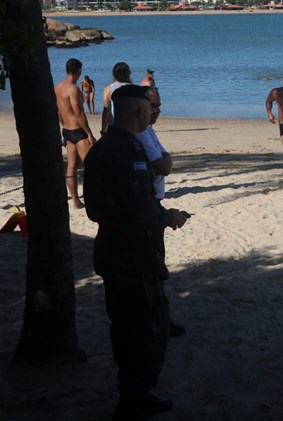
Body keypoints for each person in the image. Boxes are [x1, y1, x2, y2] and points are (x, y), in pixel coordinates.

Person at [83, 84, 189, 420]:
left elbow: (95, 208)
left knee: (124, 324)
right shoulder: (127, 151)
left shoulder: (100, 149)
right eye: (148, 109)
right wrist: (167, 217)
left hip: (111, 249)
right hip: (133, 253)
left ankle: (130, 387)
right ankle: (136, 395)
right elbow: (136, 208)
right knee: (149, 326)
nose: (151, 114)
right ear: (139, 112)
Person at [135, 89, 186, 339]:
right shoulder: (140, 134)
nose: (158, 110)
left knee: (154, 268)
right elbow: (164, 165)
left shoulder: (148, 129)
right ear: (141, 109)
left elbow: (165, 161)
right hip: (148, 207)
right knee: (153, 268)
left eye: (159, 105)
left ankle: (158, 319)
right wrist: (166, 216)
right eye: (153, 106)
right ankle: (158, 323)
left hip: (154, 204)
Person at [55, 58, 96, 209]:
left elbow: (59, 112)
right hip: (78, 131)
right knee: (92, 165)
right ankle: (94, 197)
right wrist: (89, 134)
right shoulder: (73, 89)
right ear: (79, 71)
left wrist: (63, 127)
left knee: (71, 166)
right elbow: (79, 114)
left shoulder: (58, 87)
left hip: (66, 130)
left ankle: (76, 201)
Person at [101, 62, 133, 134]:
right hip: (131, 127)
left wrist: (103, 131)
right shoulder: (134, 88)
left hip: (114, 126)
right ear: (128, 74)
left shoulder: (108, 89)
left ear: (114, 74)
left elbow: (106, 112)